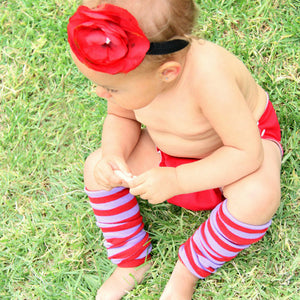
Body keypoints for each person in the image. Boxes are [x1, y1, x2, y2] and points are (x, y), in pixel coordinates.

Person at [67, 1, 283, 299]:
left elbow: (246, 153)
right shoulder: (132, 73)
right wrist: (113, 154)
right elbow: (120, 116)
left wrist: (178, 180)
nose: (101, 93)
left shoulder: (209, 78)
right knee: (96, 168)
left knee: (259, 196)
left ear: (167, 73)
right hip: (166, 147)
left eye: (112, 90)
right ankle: (131, 261)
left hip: (236, 150)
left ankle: (188, 269)